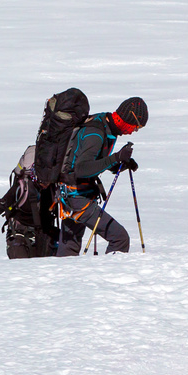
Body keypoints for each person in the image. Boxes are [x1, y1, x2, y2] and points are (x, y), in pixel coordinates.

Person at [54, 97, 147, 256]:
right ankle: (110, 277)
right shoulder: (96, 133)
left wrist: (119, 165)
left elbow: (94, 161)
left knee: (69, 250)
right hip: (76, 196)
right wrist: (115, 158)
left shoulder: (105, 124)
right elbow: (82, 169)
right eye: (135, 127)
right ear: (128, 118)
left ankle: (63, 279)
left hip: (70, 195)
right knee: (119, 238)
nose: (133, 131)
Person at [0, 145, 53, 258]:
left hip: (32, 231)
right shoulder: (24, 186)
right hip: (23, 231)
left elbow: (4, 202)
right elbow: (6, 200)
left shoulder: (25, 186)